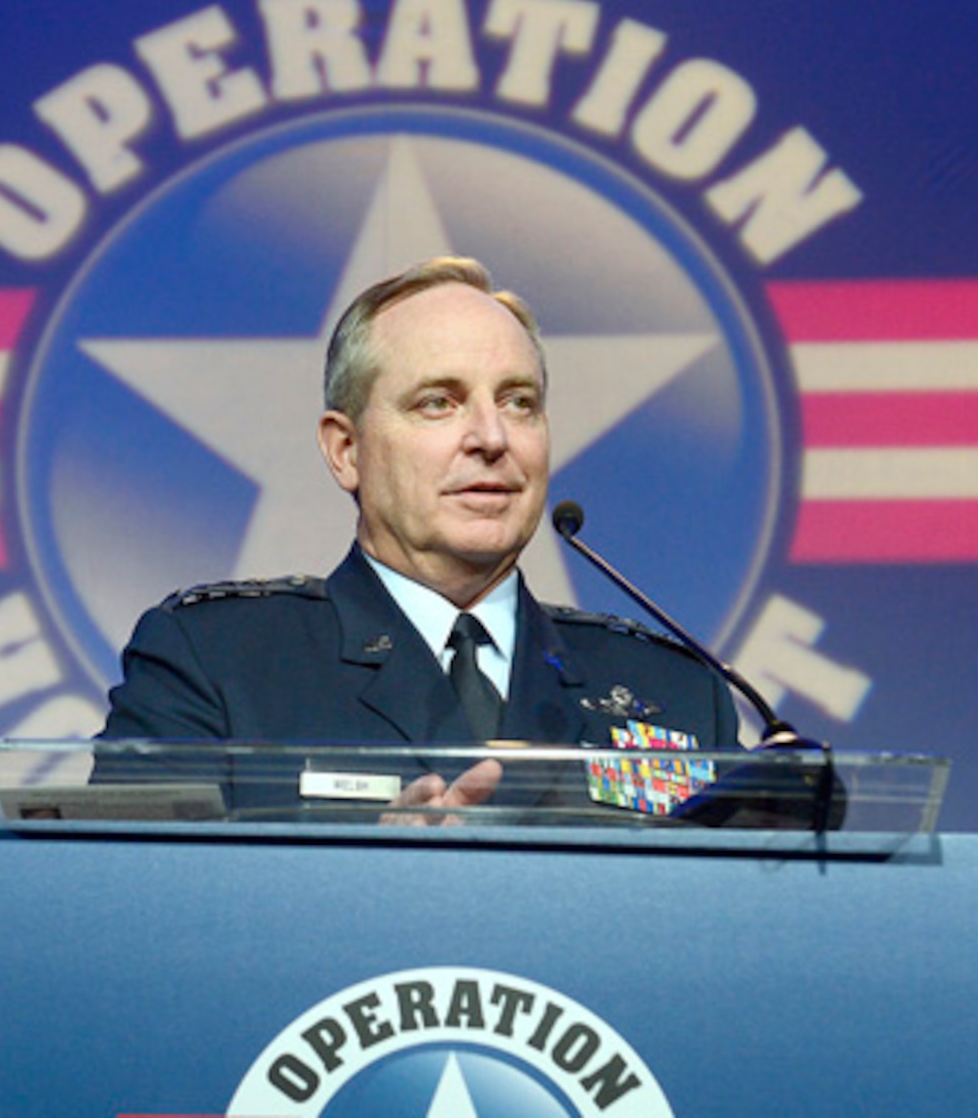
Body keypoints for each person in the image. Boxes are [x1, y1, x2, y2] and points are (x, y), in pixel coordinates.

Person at [100, 256, 739, 814]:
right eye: (438, 402)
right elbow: (131, 913)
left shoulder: (675, 690)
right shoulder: (215, 661)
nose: (492, 437)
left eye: (519, 402)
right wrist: (381, 884)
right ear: (346, 450)